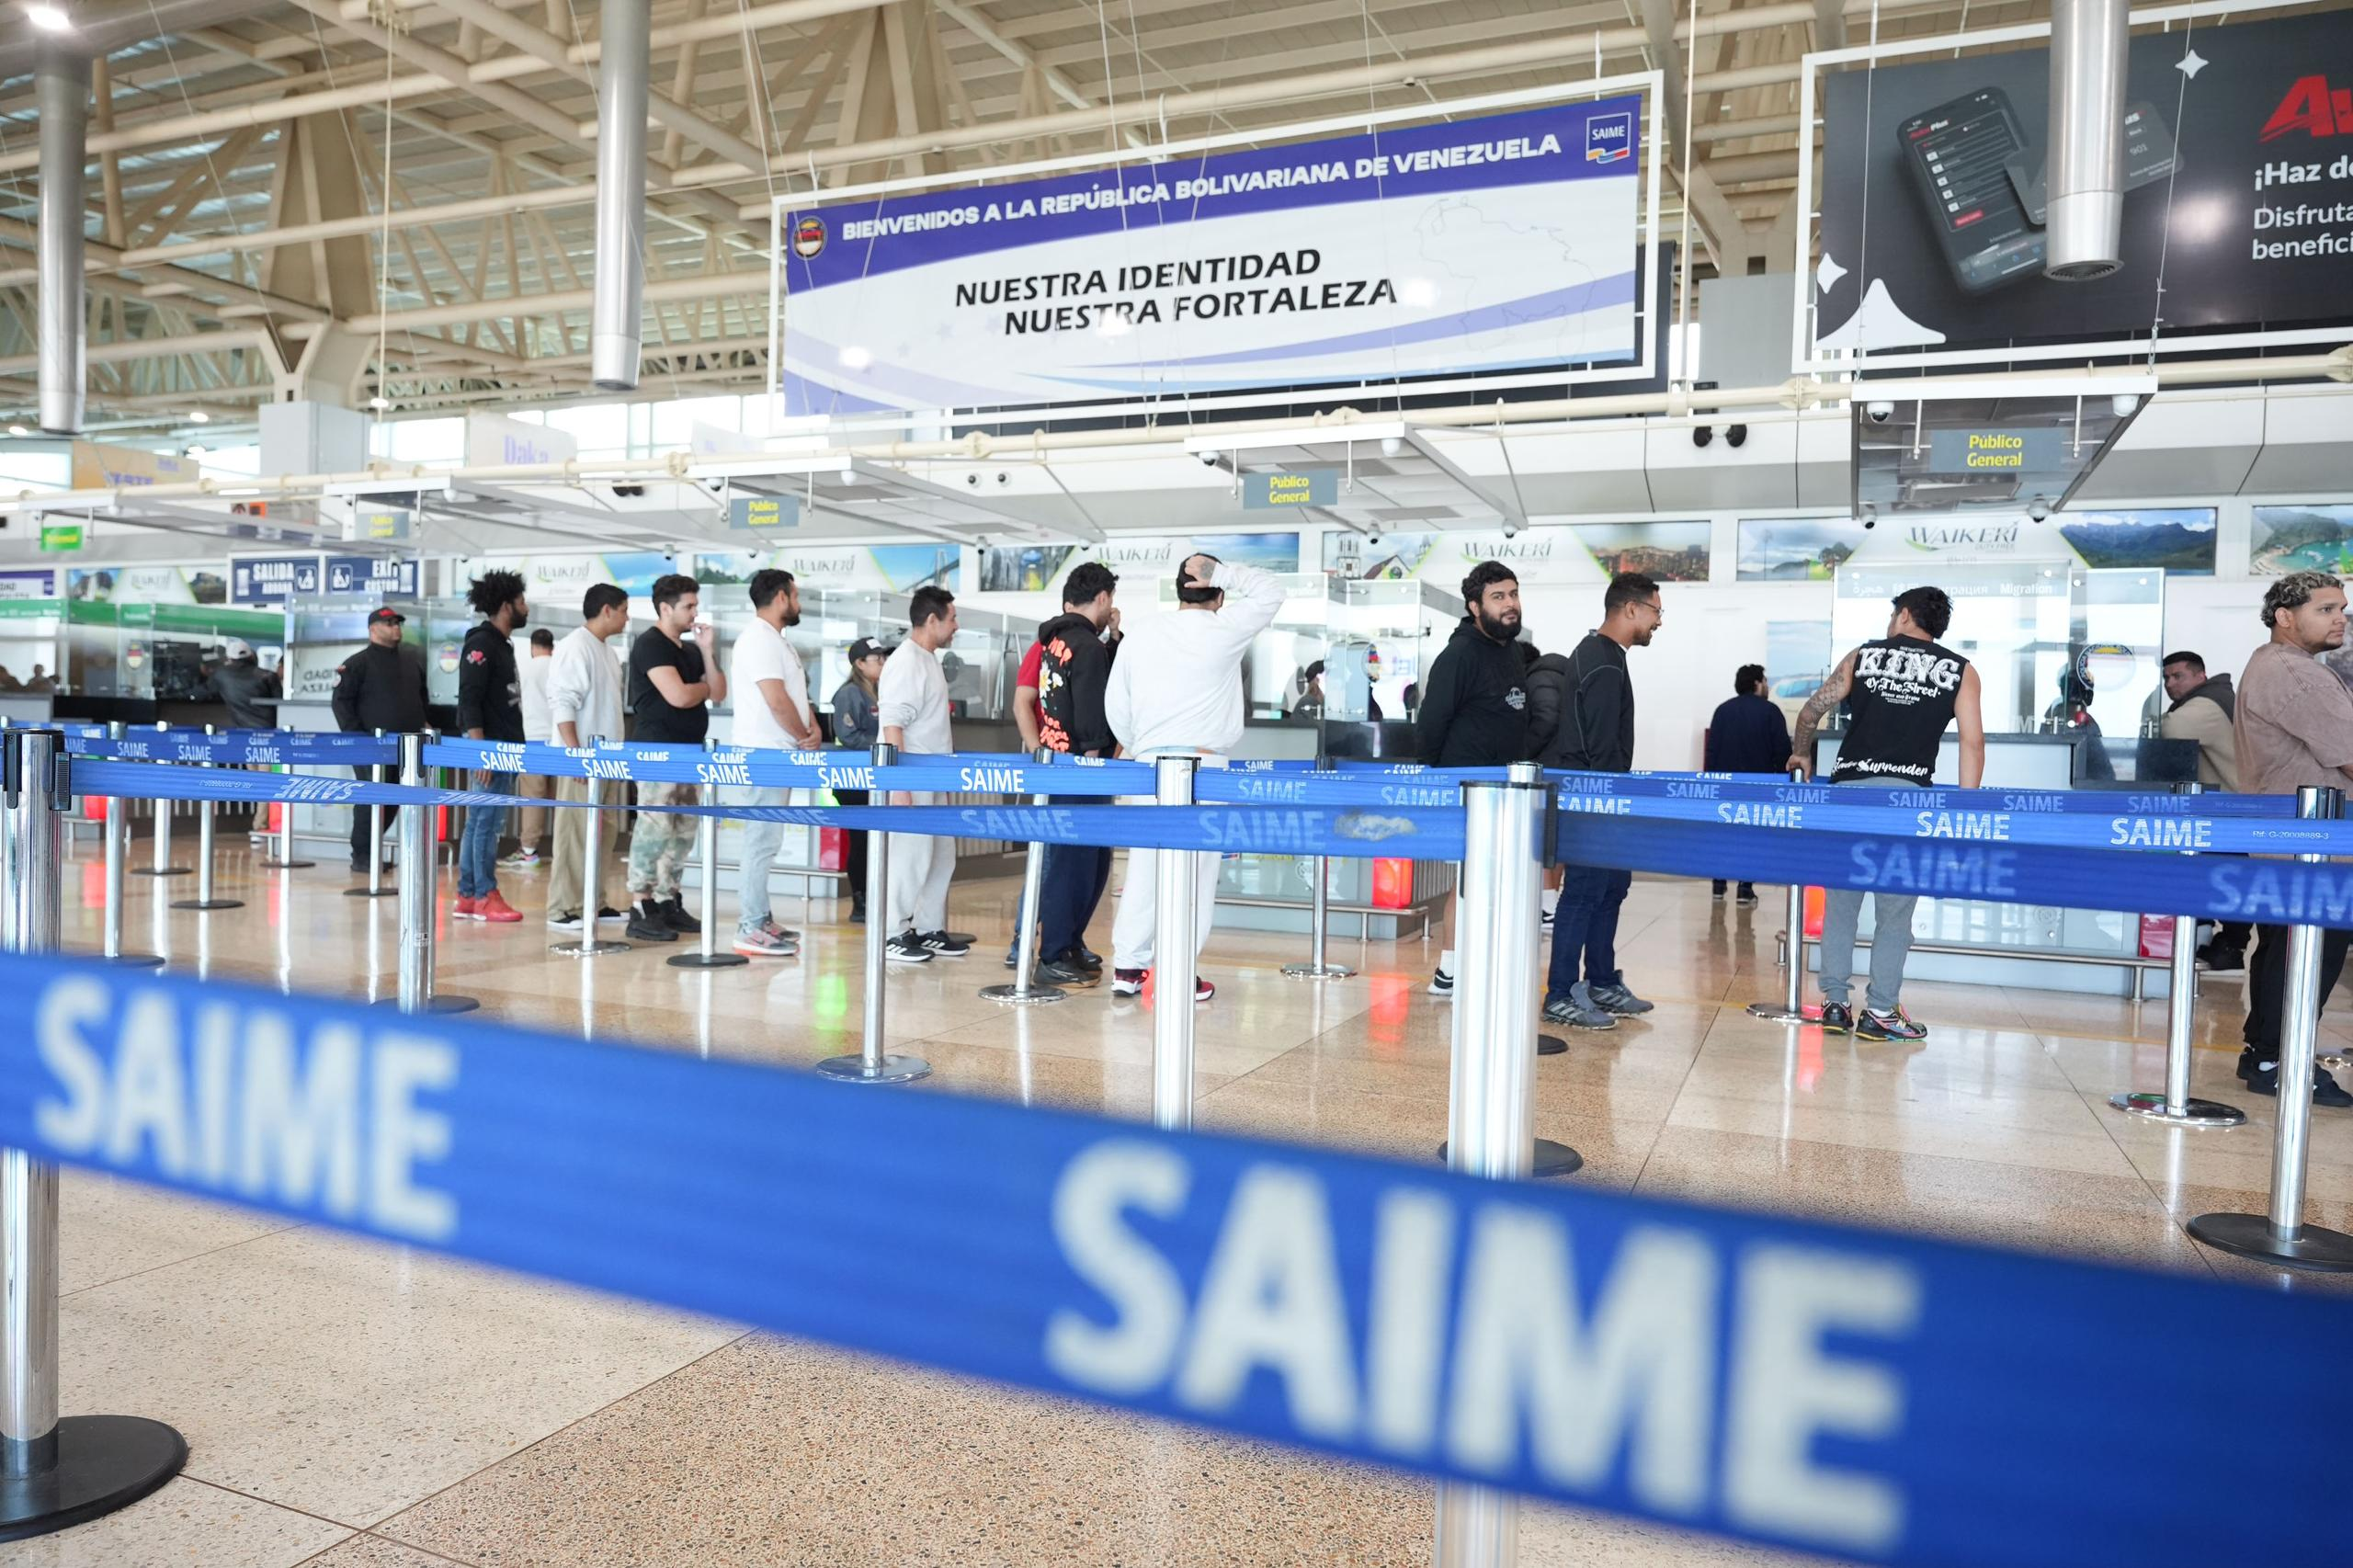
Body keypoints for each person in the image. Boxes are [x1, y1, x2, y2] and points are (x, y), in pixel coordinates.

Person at [1790, 585, 1985, 1042]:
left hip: (1849, 797)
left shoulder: (1863, 657)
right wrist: (1966, 813)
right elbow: (1973, 743)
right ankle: (1879, 1010)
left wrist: (1802, 755)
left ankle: (1835, 1004)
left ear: (1902, 616)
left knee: (1840, 906)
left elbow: (1810, 711)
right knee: (1895, 914)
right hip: (1907, 801)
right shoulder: (1961, 671)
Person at [1105, 553, 1285, 1001]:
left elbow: (1117, 707)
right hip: (1207, 769)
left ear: (1177, 591)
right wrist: (1222, 571)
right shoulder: (1224, 629)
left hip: (1149, 765)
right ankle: (1180, 972)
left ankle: (1128, 967)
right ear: (1219, 596)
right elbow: (1272, 590)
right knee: (1198, 874)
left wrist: (1144, 745)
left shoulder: (1141, 633)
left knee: (1145, 866)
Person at [2234, 571, 2353, 1106]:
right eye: (2325, 609)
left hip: (2286, 837)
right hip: (2310, 844)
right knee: (2306, 954)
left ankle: (2264, 1053)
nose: (2340, 619)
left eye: (2342, 609)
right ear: (2285, 617)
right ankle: (2279, 1059)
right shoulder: (2295, 672)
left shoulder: (2271, 664)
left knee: (2283, 950)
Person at [1531, 574, 1665, 1030]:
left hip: (1602, 798)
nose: (1657, 623)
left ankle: (1602, 980)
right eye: (1655, 612)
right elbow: (1601, 746)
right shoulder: (1602, 662)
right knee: (1586, 892)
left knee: (1610, 888)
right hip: (1594, 799)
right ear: (1630, 609)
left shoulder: (1603, 655)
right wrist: (1610, 806)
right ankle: (1562, 991)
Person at [1416, 561, 1529, 999]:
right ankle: (1449, 970)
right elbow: (1431, 723)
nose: (1510, 604)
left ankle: (1480, 963)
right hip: (1466, 790)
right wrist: (1434, 786)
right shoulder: (1459, 655)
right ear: (1474, 606)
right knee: (1468, 880)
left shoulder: (1511, 651)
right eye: (1499, 597)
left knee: (1495, 880)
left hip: (1506, 789)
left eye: (1513, 594)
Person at [1029, 562, 1122, 987]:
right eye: (1111, 601)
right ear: (1102, 598)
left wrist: (1113, 642)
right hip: (1083, 770)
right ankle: (1052, 954)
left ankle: (1067, 943)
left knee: (1086, 861)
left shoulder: (1058, 640)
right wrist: (1099, 756)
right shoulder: (1084, 645)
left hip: (1058, 763)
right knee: (1076, 865)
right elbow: (1090, 714)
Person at [625, 573, 728, 943]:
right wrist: (700, 689)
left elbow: (718, 692)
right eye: (689, 606)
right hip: (656, 751)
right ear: (665, 608)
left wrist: (705, 650)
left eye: (696, 605)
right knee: (654, 828)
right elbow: (679, 697)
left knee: (683, 830)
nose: (695, 612)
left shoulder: (687, 650)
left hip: (689, 750)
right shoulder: (649, 645)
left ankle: (669, 899)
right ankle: (641, 904)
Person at [725, 570, 813, 959]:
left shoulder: (776, 641)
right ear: (781, 597)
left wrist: (807, 732)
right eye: (795, 595)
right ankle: (749, 926)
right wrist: (803, 734)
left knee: (768, 841)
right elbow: (776, 700)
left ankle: (761, 918)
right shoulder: (758, 639)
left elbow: (792, 694)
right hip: (765, 753)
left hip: (780, 752)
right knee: (760, 842)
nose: (798, 602)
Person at [879, 587, 967, 963]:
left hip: (936, 776)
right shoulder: (906, 661)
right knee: (909, 857)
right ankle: (892, 931)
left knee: (940, 857)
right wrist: (898, 786)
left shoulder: (929, 659)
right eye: (952, 618)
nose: (956, 625)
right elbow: (892, 724)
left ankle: (929, 926)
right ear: (931, 620)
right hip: (911, 777)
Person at [545, 584, 630, 932]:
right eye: (624, 610)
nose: (626, 617)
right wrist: (574, 753)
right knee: (575, 832)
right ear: (607, 610)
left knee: (603, 832)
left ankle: (593, 900)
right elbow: (562, 701)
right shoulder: (575, 646)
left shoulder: (607, 651)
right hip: (581, 757)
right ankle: (563, 906)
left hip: (607, 758)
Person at [2160, 649, 2247, 971]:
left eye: (2178, 676)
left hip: (2232, 807)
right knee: (2224, 876)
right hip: (2230, 805)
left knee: (2228, 878)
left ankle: (2232, 946)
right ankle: (2224, 941)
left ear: (2200, 676)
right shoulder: (2217, 697)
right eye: (2167, 677)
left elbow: (2170, 730)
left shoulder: (2206, 705)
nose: (2171, 683)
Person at [452, 570, 529, 924]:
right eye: (521, 602)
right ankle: (484, 894)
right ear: (505, 605)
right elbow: (469, 698)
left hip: (504, 745)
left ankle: (469, 894)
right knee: (486, 822)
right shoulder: (482, 643)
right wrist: (480, 750)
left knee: (481, 821)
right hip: (491, 747)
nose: (525, 608)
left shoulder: (501, 643)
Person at [330, 607, 427, 876]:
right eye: (389, 623)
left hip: (406, 747)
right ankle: (362, 855)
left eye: (397, 622)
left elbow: (421, 699)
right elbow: (341, 704)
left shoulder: (411, 663)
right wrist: (358, 741)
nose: (396, 627)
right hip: (370, 748)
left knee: (394, 800)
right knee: (371, 800)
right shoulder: (356, 664)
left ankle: (372, 850)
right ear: (373, 629)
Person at [1701, 663, 1791, 906]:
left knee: (1723, 835)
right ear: (1756, 683)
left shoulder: (1722, 711)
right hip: (1758, 787)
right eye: (1765, 681)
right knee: (1751, 837)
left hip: (1724, 787)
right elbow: (1783, 752)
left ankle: (1718, 887)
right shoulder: (1770, 712)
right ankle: (1744, 889)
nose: (1768, 686)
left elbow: (1711, 751)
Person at [829, 637, 887, 924]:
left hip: (874, 777)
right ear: (860, 664)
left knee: (875, 839)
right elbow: (849, 736)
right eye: (877, 659)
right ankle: (860, 899)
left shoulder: (879, 691)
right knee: (861, 839)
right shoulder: (850, 694)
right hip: (854, 779)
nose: (883, 663)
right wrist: (883, 745)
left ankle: (875, 895)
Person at [505, 627, 557, 867]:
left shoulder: (525, 669)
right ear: (552, 646)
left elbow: (514, 702)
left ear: (533, 647)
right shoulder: (560, 667)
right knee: (564, 801)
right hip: (560, 742)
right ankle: (564, 849)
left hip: (532, 740)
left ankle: (528, 851)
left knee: (533, 799)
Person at [197, 638, 280, 730]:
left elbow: (201, 693)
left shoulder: (221, 675)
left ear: (229, 658)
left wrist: (182, 693)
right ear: (251, 656)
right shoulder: (269, 675)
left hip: (242, 732)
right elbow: (280, 704)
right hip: (272, 730)